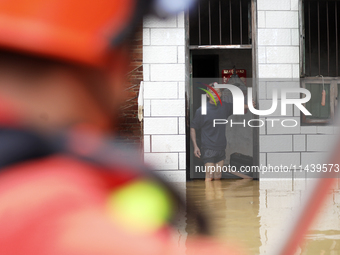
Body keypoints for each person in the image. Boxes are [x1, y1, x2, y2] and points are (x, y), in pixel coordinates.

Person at [191, 82, 253, 181]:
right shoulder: (201, 110)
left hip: (221, 147)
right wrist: (195, 146)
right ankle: (208, 196)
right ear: (207, 94)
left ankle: (217, 196)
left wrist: (249, 105)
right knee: (209, 176)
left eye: (217, 91)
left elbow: (238, 106)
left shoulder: (224, 107)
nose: (215, 94)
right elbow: (193, 127)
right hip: (208, 148)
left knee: (218, 176)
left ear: (220, 94)